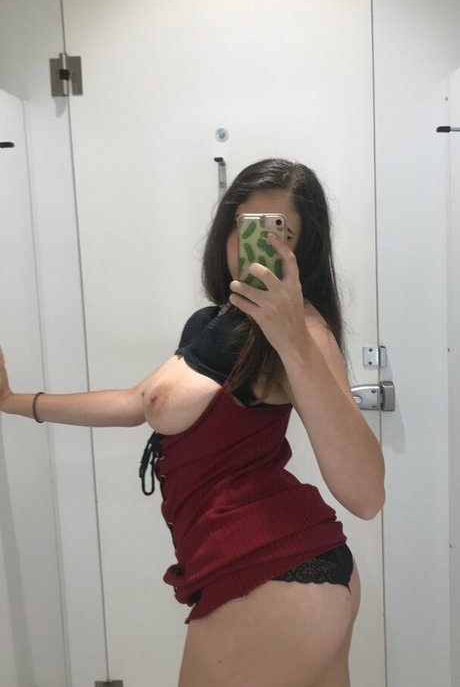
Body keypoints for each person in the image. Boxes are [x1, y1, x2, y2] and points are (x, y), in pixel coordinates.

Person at [0, 158, 385, 687]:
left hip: (268, 571)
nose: (253, 244)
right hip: (274, 576)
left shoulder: (304, 329)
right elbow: (136, 402)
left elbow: (366, 494)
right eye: (243, 225)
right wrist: (16, 401)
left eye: (279, 232)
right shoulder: (216, 323)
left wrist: (292, 337)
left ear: (302, 251)